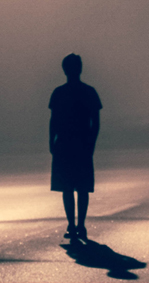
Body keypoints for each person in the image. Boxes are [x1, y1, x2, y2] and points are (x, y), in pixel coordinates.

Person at [49, 53, 101, 241]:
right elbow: (95, 122)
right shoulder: (89, 92)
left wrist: (51, 141)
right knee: (82, 187)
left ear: (65, 70)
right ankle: (80, 225)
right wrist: (91, 143)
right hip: (82, 144)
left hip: (64, 143)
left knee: (67, 187)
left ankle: (72, 224)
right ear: (80, 69)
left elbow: (53, 120)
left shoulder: (58, 93)